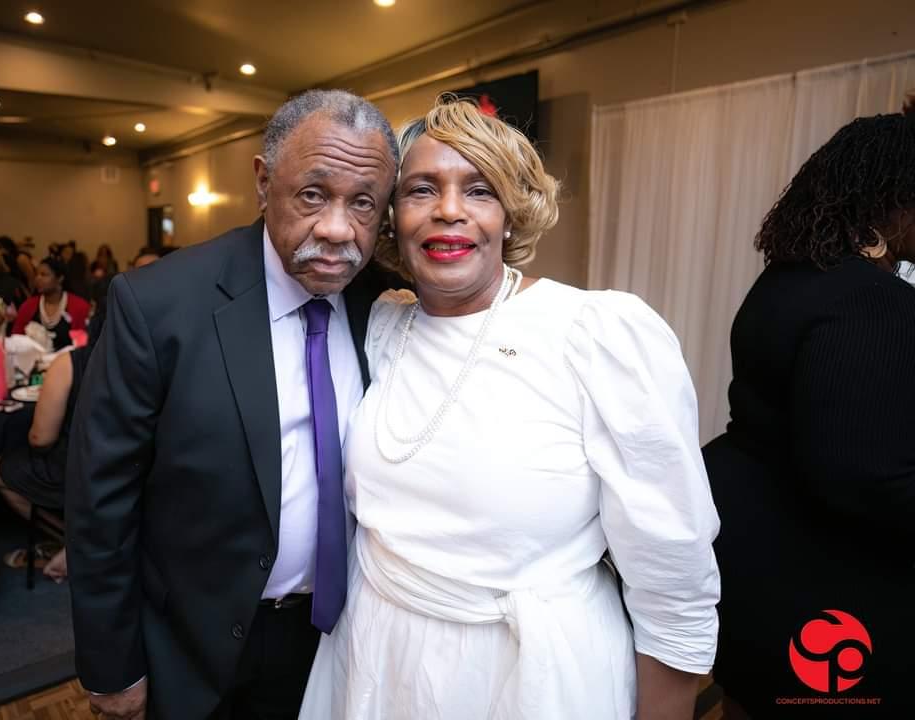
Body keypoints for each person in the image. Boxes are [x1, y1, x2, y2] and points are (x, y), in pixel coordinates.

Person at [299, 98, 720, 720]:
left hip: (532, 676)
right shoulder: (383, 326)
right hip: (374, 658)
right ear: (391, 218)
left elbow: (671, 564)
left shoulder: (594, 333)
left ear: (510, 214)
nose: (449, 210)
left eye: (479, 190)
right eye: (421, 190)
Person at [66, 89, 398, 720]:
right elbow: (101, 500)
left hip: (341, 639)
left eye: (362, 202)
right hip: (193, 648)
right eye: (312, 194)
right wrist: (112, 664)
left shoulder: (383, 305)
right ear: (263, 181)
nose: (337, 229)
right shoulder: (157, 304)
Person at [704, 109, 915, 717]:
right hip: (821, 573)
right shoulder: (874, 301)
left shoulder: (785, 278)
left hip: (744, 543)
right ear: (894, 203)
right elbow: (860, 476)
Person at [0, 316, 103, 583]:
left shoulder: (71, 363)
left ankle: (75, 543)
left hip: (78, 468)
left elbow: (40, 438)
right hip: (128, 468)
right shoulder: (148, 363)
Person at [12, 257, 90, 350]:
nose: (38, 279)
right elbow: (15, 339)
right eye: (37, 274)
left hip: (68, 358)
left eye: (44, 275)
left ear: (60, 278)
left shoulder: (79, 306)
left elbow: (83, 345)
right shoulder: (28, 306)